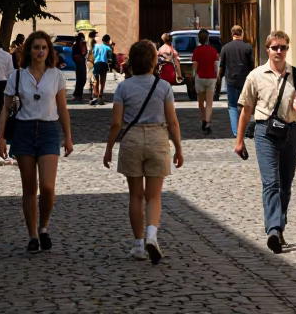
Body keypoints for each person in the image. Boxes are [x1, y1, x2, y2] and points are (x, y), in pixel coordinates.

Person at [235, 30, 296, 253]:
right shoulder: (255, 76)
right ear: (267, 50)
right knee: (270, 182)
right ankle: (273, 229)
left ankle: (279, 225)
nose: (279, 51)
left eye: (283, 47)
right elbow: (246, 110)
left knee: (285, 184)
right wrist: (239, 140)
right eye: (275, 47)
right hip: (265, 133)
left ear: (287, 49)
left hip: (291, 133)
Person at [103, 39, 184, 264]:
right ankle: (152, 235)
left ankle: (138, 245)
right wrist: (178, 148)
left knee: (136, 195)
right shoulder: (164, 87)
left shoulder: (123, 87)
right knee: (154, 195)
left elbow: (115, 124)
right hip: (158, 138)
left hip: (132, 140)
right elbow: (173, 122)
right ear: (152, 61)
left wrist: (109, 148)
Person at [0, 30, 73, 253]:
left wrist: (68, 136)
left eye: (44, 48)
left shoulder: (56, 76)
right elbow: (5, 108)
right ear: (29, 50)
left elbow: (62, 108)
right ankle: (32, 235)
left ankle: (44, 227)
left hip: (48, 131)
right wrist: (0, 138)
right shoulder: (17, 76)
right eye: (36, 47)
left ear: (49, 51)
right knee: (29, 186)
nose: (40, 51)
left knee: (47, 187)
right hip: (23, 131)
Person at [218, 25, 254, 137]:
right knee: (246, 104)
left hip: (231, 79)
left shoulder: (225, 48)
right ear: (242, 33)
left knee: (233, 106)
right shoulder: (247, 47)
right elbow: (251, 65)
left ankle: (236, 131)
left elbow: (222, 65)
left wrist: (220, 79)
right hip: (245, 80)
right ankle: (246, 128)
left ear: (232, 34)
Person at [191, 28, 219, 134]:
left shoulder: (197, 51)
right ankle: (207, 122)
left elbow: (195, 66)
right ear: (207, 38)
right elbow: (215, 65)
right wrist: (216, 76)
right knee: (209, 103)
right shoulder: (213, 50)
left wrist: (194, 76)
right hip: (211, 77)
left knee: (201, 102)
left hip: (200, 77)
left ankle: (202, 119)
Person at [90, 33, 113, 105]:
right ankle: (100, 95)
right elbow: (110, 59)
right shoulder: (108, 48)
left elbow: (92, 55)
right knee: (102, 81)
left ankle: (95, 95)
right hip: (104, 64)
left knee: (95, 80)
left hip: (96, 64)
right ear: (108, 41)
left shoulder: (95, 46)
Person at [71, 32, 88, 102]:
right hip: (78, 64)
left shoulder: (83, 45)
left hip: (82, 63)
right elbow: (79, 54)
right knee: (80, 80)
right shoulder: (76, 46)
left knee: (83, 80)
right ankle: (77, 95)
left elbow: (85, 53)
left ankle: (78, 95)